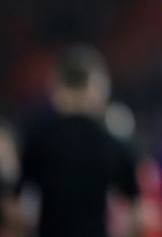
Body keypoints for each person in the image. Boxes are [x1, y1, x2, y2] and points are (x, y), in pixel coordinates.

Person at [16, 45, 140, 237]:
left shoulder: (37, 138)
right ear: (95, 86)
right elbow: (136, 209)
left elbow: (20, 207)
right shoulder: (111, 142)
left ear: (56, 84)